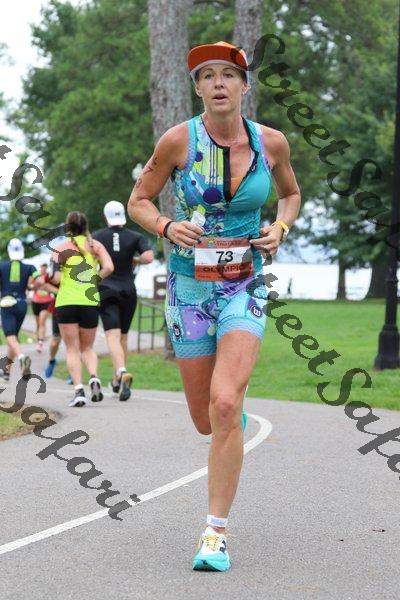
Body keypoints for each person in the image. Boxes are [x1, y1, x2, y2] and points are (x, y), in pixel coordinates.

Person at [128, 41, 301, 572]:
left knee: (224, 404)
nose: (219, 83)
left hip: (244, 284)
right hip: (190, 289)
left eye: (229, 74)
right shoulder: (178, 140)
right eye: (207, 76)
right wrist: (165, 225)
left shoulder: (272, 143)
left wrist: (280, 227)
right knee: (207, 419)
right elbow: (138, 200)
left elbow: (290, 195)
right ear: (198, 88)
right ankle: (228, 422)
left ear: (245, 85)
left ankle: (214, 534)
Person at [49, 211, 114, 407]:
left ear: (67, 227)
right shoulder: (95, 245)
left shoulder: (60, 248)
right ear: (86, 226)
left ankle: (79, 391)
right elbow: (109, 267)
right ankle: (93, 377)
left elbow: (55, 279)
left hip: (66, 301)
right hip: (89, 301)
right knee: (87, 348)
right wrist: (95, 279)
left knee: (72, 349)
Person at [93, 200, 153, 401]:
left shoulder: (97, 237)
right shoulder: (135, 237)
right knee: (123, 337)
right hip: (128, 290)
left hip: (106, 289)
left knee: (112, 335)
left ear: (105, 216)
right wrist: (135, 260)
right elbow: (149, 257)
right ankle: (117, 380)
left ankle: (121, 371)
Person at [0, 238, 39, 381]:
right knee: (14, 338)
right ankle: (6, 371)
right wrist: (31, 287)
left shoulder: (2, 266)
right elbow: (39, 280)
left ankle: (22, 357)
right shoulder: (30, 267)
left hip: (7, 303)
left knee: (10, 336)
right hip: (22, 304)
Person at [31, 263, 52, 353]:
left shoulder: (49, 277)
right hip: (36, 301)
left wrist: (47, 287)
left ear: (46, 268)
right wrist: (35, 287)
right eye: (42, 266)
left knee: (42, 322)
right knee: (38, 324)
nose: (43, 268)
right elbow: (29, 286)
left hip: (47, 302)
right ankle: (39, 340)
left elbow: (52, 287)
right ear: (40, 267)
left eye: (45, 266)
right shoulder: (35, 277)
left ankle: (40, 343)